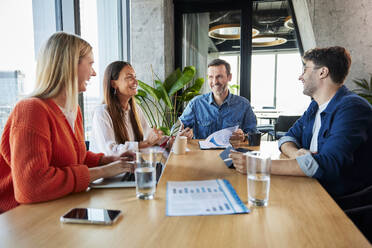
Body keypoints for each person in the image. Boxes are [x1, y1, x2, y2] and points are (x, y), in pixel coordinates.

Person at [0, 32, 136, 213]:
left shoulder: (73, 110)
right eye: (90, 64)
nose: (94, 73)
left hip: (56, 207)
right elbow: (31, 187)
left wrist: (106, 160)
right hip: (18, 216)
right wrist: (102, 172)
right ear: (70, 65)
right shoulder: (31, 110)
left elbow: (74, 159)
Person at [231, 46, 372, 199]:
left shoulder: (352, 108)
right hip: (311, 186)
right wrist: (296, 153)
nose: (301, 76)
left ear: (322, 72)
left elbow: (329, 164)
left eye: (305, 69)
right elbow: (287, 137)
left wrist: (258, 165)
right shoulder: (315, 106)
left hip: (336, 199)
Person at [89, 61, 166, 156]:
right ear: (114, 84)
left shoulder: (135, 109)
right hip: (112, 170)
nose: (136, 82)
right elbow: (110, 151)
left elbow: (149, 134)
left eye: (135, 77)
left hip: (130, 167)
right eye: (129, 77)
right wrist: (145, 143)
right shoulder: (102, 113)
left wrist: (172, 139)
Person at [179, 59, 256, 139]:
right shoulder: (196, 104)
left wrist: (243, 136)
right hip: (202, 151)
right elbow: (177, 129)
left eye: (219, 76)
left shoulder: (243, 104)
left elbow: (253, 133)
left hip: (232, 151)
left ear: (229, 77)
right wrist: (181, 134)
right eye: (211, 77)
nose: (215, 81)